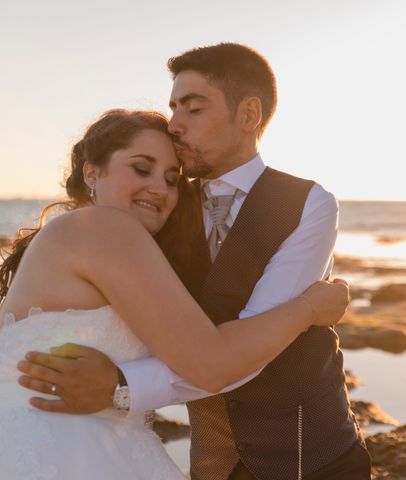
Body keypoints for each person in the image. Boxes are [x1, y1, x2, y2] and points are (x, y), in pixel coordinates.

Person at [18, 43, 371, 480]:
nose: (175, 125)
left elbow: (249, 346)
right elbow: (206, 352)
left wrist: (121, 386)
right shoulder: (157, 211)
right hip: (208, 462)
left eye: (192, 109)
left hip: (307, 455)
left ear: (248, 116)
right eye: (173, 108)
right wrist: (311, 310)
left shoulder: (306, 204)